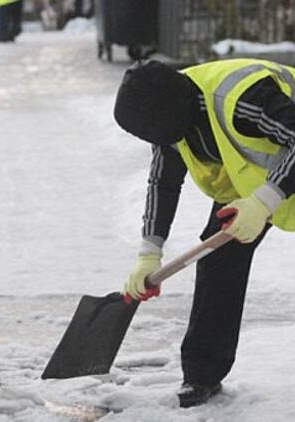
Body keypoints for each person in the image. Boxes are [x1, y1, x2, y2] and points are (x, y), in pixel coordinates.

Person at [113, 59, 295, 408]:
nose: (159, 143)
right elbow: (162, 182)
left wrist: (264, 202)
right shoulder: (170, 112)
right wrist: (149, 252)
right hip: (260, 181)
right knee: (219, 260)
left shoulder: (242, 98)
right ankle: (202, 375)